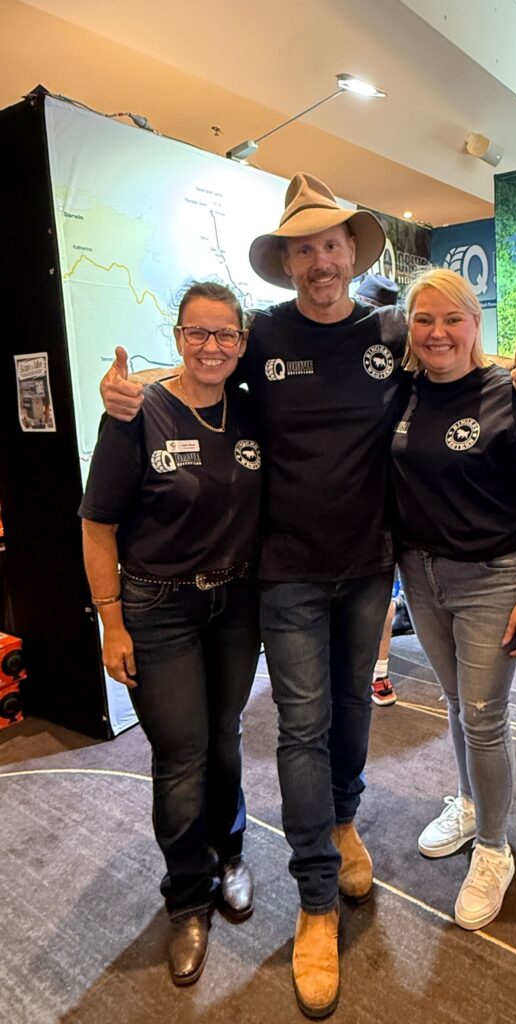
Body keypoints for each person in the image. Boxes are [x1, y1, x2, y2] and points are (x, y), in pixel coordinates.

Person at [100, 173, 516, 1018]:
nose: (318, 261)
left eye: (330, 245)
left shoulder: (390, 329)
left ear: (351, 252)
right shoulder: (261, 336)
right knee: (300, 725)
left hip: (370, 567)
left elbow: (457, 358)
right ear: (289, 261)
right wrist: (131, 389)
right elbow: (200, 367)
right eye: (302, 249)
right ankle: (313, 900)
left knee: (351, 710)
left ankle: (344, 822)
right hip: (288, 573)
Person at [81, 282, 262, 987]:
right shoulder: (136, 413)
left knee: (226, 738)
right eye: (198, 332)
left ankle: (231, 853)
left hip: (237, 604)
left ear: (242, 343)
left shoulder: (251, 412)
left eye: (226, 334)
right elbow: (97, 526)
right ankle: (188, 897)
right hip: (159, 609)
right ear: (178, 334)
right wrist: (111, 622)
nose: (212, 346)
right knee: (182, 754)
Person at [391, 267, 516, 931]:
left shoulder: (511, 394)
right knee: (458, 703)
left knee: (485, 713)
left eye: (452, 319)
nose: (438, 333)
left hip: (493, 578)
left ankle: (494, 849)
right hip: (422, 576)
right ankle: (468, 804)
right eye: (425, 319)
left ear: (475, 323)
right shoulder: (403, 389)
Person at [354, 274, 401, 708]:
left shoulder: (403, 349)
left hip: (395, 503)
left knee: (383, 599)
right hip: (360, 505)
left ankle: (379, 673)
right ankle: (376, 675)